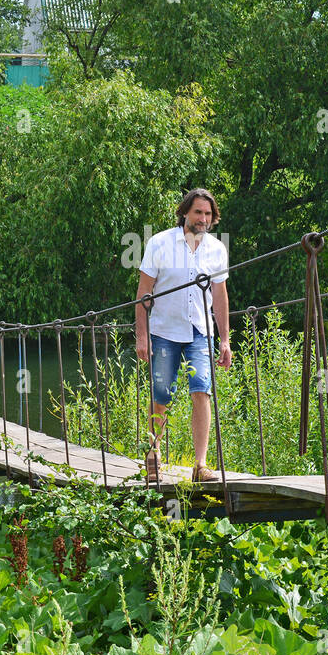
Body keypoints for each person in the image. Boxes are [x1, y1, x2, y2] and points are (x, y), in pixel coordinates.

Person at [135, 189, 232, 484]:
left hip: (200, 332)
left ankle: (200, 465)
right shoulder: (160, 243)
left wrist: (225, 340)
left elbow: (220, 294)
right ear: (185, 213)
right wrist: (142, 335)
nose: (203, 219)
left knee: (202, 390)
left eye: (207, 214)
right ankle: (153, 453)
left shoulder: (217, 248)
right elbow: (143, 294)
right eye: (198, 212)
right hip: (164, 331)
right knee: (161, 393)